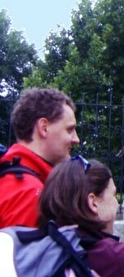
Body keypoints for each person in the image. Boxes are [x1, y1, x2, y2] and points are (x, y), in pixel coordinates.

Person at [0, 87, 80, 228]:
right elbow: (24, 250)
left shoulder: (13, 177)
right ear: (44, 128)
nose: (76, 139)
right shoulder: (29, 193)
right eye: (69, 130)